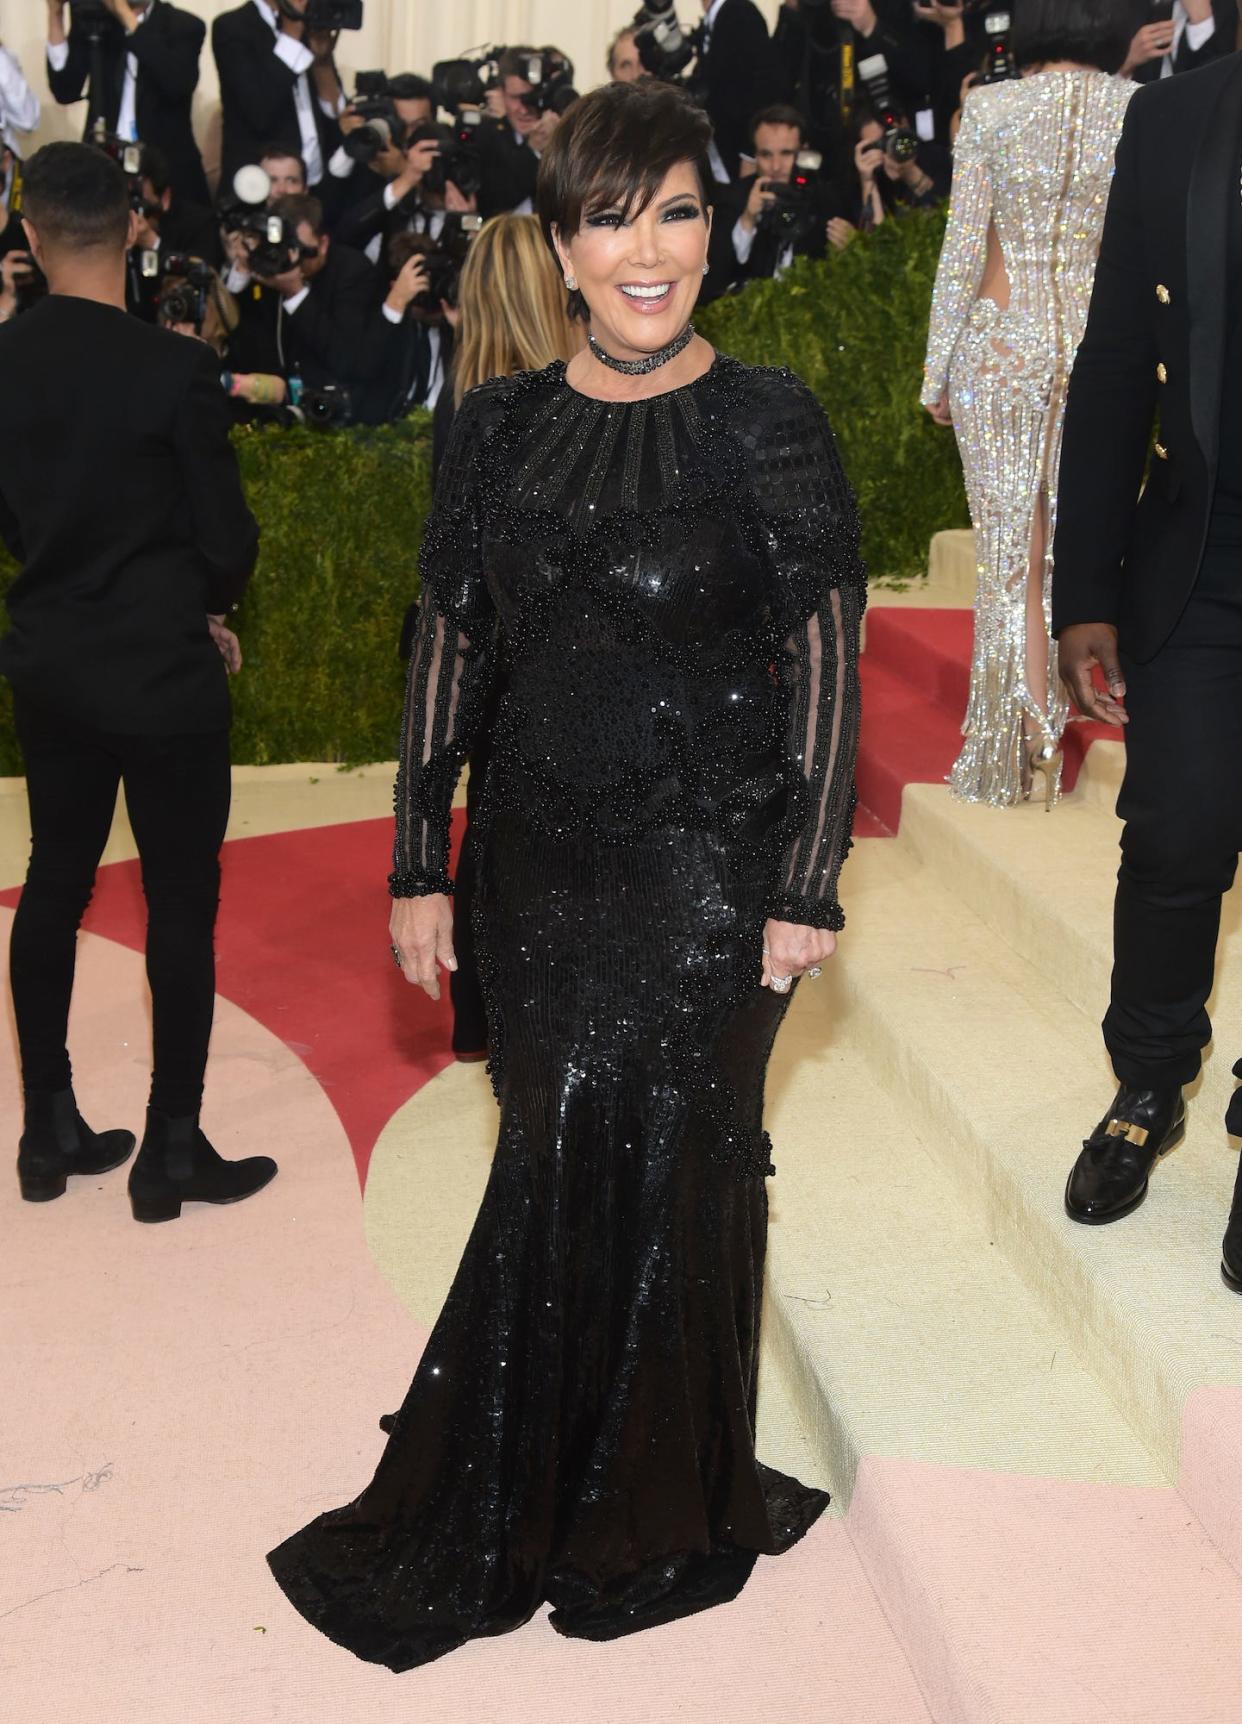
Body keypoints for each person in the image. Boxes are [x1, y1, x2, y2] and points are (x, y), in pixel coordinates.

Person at [266, 76, 864, 1666]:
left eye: (675, 209)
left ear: (713, 224)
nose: (646, 249)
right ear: (561, 242)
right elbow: (450, 637)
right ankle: (543, 1468)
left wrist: (802, 879)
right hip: (535, 869)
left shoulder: (767, 419)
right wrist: (417, 856)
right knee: (550, 1151)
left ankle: (650, 1499)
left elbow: (821, 650)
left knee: (676, 1161)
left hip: (709, 875)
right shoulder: (506, 426)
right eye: (611, 218)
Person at [0, 143, 275, 1222]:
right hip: (163, 673)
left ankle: (45, 1129)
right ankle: (170, 1148)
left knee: (55, 877)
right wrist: (199, 602)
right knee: (178, 901)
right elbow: (229, 544)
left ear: (27, 235)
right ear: (137, 227)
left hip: (51, 666)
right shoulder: (174, 371)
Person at [1051, 50, 1242, 1288]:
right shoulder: (1173, 120)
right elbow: (1116, 360)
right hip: (1203, 554)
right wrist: (1085, 590)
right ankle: (1149, 1079)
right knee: (1176, 832)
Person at [920, 0, 1137, 809]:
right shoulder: (1137, 105)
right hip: (1102, 353)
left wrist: (936, 371)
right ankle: (1055, 721)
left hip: (1002, 343)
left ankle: (1008, 752)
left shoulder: (993, 106)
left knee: (1010, 552)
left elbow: (963, 247)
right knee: (1079, 541)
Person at [45, 0, 209, 207]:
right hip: (105, 162)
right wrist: (56, 15)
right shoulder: (95, 21)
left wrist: (125, 16)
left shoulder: (183, 25)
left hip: (164, 168)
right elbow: (65, 90)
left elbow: (177, 84)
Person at [212, 0, 342, 191]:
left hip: (313, 184)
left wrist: (322, 62)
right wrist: (291, 35)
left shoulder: (309, 23)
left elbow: (334, 114)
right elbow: (258, 111)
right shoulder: (232, 26)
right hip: (258, 188)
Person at [697, 0, 785, 181]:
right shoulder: (718, 17)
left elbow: (766, 84)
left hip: (738, 159)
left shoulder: (739, 13)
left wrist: (749, 153)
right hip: (722, 154)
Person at [1120, 0, 1234, 80]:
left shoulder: (1230, 7)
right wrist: (1128, 63)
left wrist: (1201, 19)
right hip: (1142, 104)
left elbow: (1223, 78)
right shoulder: (1132, 6)